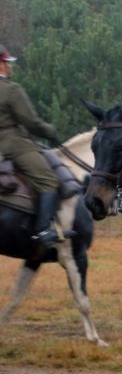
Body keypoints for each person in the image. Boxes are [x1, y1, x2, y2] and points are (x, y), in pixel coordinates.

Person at [0, 45, 62, 250]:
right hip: (11, 144)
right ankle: (43, 231)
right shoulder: (11, 90)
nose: (10, 68)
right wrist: (50, 131)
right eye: (8, 63)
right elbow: (31, 122)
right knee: (48, 180)